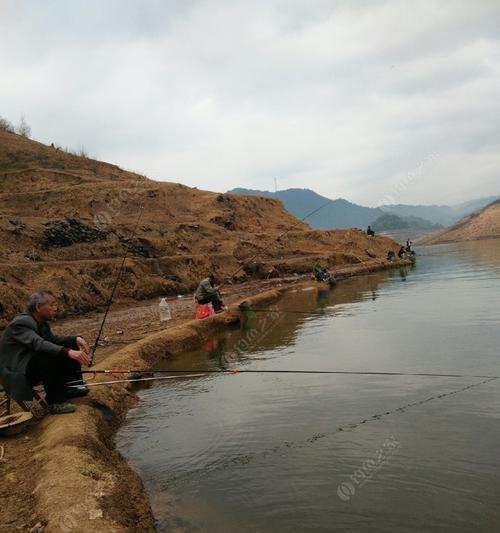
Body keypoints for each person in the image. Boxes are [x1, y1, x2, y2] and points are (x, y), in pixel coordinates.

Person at [0, 291, 90, 414]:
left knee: (67, 345)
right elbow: (38, 343)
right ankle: (55, 402)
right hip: (16, 373)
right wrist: (68, 352)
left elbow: (52, 340)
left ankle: (72, 386)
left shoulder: (41, 322)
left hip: (30, 365)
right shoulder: (21, 323)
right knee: (47, 354)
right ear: (38, 307)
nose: (55, 308)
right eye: (52, 305)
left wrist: (74, 339)